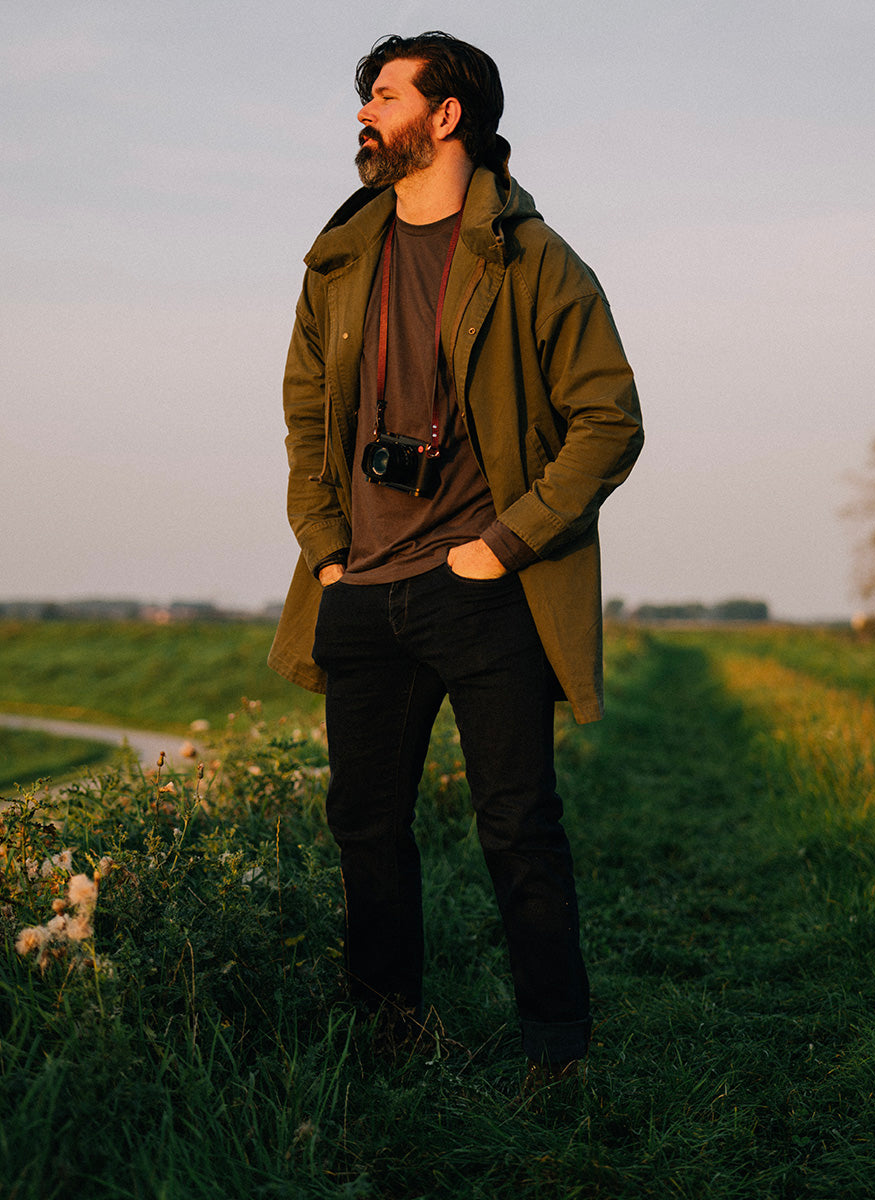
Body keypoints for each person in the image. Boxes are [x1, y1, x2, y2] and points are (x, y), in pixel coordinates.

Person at [268, 31, 643, 1077]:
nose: (363, 115)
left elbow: (608, 420)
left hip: (485, 591)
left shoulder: (533, 257)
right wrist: (327, 550)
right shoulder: (340, 259)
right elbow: (307, 417)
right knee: (367, 835)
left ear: (446, 115)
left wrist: (504, 545)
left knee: (519, 829)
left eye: (384, 96)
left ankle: (556, 1060)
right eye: (364, 97)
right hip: (362, 592)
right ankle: (387, 1045)